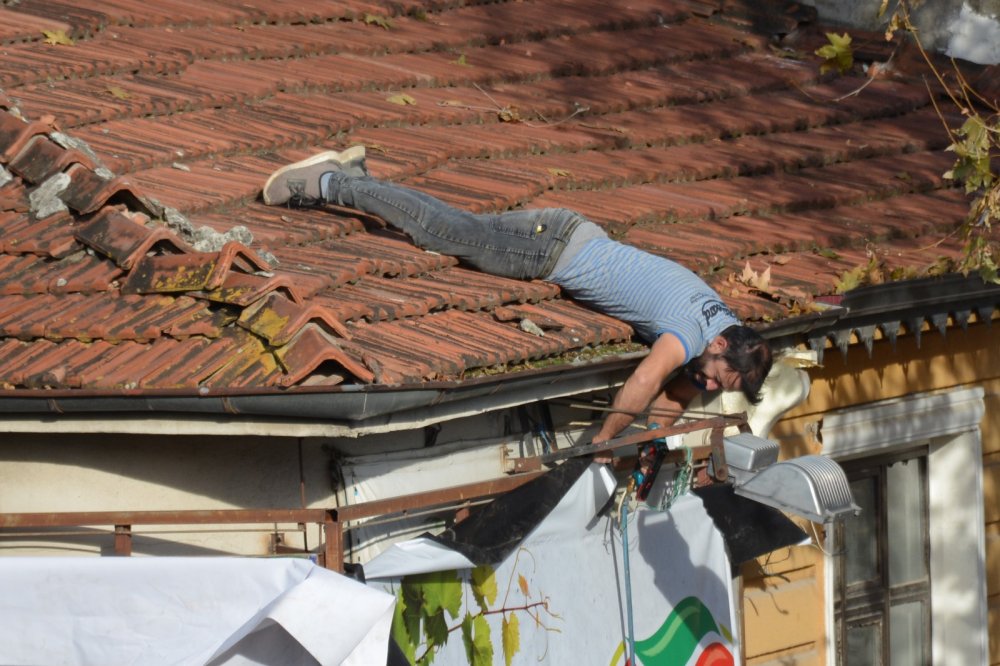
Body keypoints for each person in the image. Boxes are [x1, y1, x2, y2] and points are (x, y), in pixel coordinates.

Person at [262, 148, 773, 447]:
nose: (709, 384)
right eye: (716, 376)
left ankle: (359, 178)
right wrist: (601, 443)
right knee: (440, 231)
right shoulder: (688, 334)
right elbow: (646, 379)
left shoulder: (721, 328)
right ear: (722, 346)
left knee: (451, 227)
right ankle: (330, 182)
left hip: (571, 235)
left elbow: (677, 397)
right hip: (549, 248)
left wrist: (646, 447)